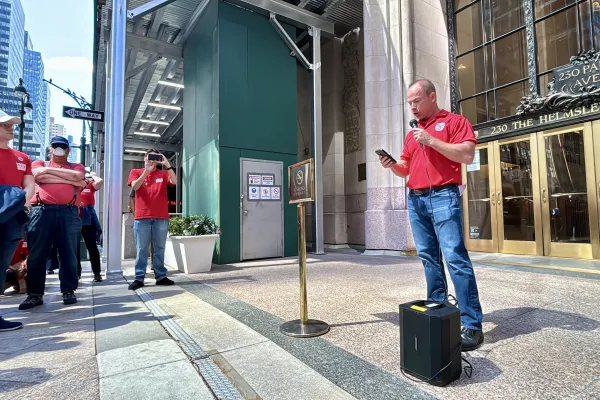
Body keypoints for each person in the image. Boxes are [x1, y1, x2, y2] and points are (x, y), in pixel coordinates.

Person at [379, 79, 484, 351]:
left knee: (454, 257)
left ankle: (472, 324)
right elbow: (405, 167)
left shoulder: (454, 121)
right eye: (409, 103)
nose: (412, 107)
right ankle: (438, 308)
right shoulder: (412, 134)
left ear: (432, 96)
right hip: (416, 199)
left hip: (443, 196)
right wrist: (392, 165)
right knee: (428, 257)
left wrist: (431, 140)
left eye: (416, 101)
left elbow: (467, 154)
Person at [19, 136, 86, 310]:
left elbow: (79, 175)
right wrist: (71, 180)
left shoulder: (76, 166)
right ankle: (34, 294)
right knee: (37, 254)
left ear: (68, 150)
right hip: (41, 212)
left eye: (62, 146)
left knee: (68, 253)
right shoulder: (39, 163)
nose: (59, 149)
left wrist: (50, 175)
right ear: (50, 149)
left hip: (69, 213)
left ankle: (68, 290)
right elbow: (37, 176)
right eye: (55, 146)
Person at [0, 109, 35, 331]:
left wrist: (22, 204)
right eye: (5, 125)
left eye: (12, 124)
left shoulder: (22, 158)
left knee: (2, 263)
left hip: (12, 217)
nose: (11, 127)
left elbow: (29, 183)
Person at [127, 150, 177, 290]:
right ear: (144, 158)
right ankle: (139, 277)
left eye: (154, 158)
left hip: (161, 216)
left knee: (160, 248)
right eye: (148, 157)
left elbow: (175, 181)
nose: (150, 160)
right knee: (141, 249)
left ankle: (160, 276)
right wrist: (146, 171)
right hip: (142, 216)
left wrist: (167, 165)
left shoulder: (163, 173)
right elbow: (135, 186)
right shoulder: (136, 172)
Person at [77, 171, 103, 282]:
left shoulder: (90, 184)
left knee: (92, 246)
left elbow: (100, 182)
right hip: (73, 217)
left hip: (88, 218)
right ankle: (76, 273)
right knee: (74, 247)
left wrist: (93, 174)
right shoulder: (72, 184)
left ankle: (97, 273)